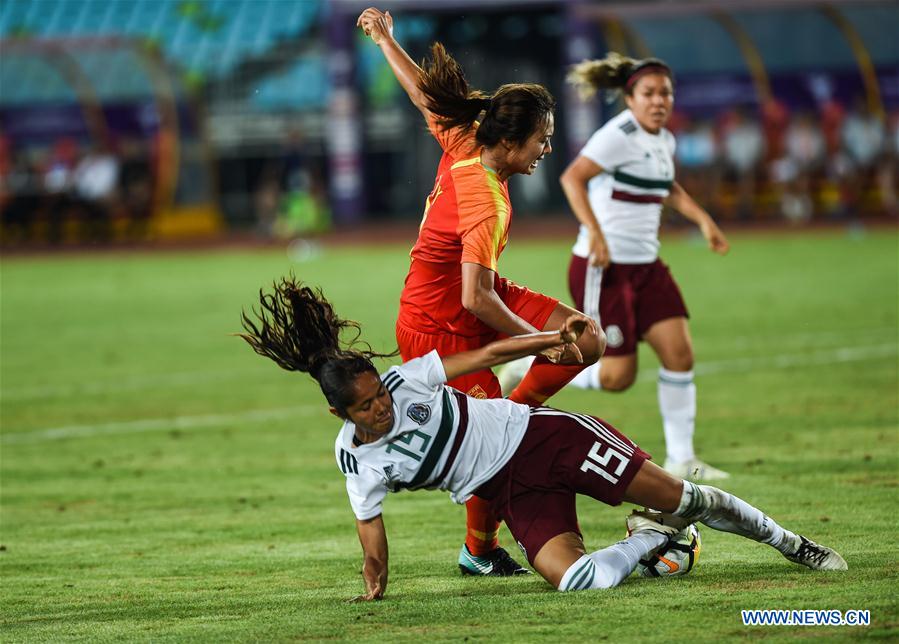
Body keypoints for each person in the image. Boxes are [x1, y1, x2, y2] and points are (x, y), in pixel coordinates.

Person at [237, 277, 847, 600]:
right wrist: (374, 586)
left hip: (542, 439)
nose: (383, 408)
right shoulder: (354, 460)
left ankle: (797, 546)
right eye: (367, 407)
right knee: (578, 581)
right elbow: (370, 529)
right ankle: (651, 538)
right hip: (510, 492)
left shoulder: (409, 376)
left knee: (686, 498)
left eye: (380, 394)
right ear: (340, 415)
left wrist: (550, 340)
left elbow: (492, 350)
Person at [357, 7, 602, 575]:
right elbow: (474, 299)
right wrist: (538, 343)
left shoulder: (468, 139)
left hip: (480, 296)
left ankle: (513, 412)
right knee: (495, 448)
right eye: (542, 140)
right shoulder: (486, 200)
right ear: (513, 142)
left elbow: (425, 95)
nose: (547, 148)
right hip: (436, 327)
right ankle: (480, 549)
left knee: (587, 339)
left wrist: (385, 39)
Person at [500, 52, 731, 481]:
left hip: (647, 266)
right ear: (630, 98)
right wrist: (596, 232)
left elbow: (668, 186)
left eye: (666, 93)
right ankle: (526, 368)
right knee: (617, 376)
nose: (659, 101)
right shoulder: (617, 135)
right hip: (603, 267)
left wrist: (703, 220)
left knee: (679, 355)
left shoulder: (663, 138)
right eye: (649, 93)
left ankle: (683, 458)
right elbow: (572, 177)